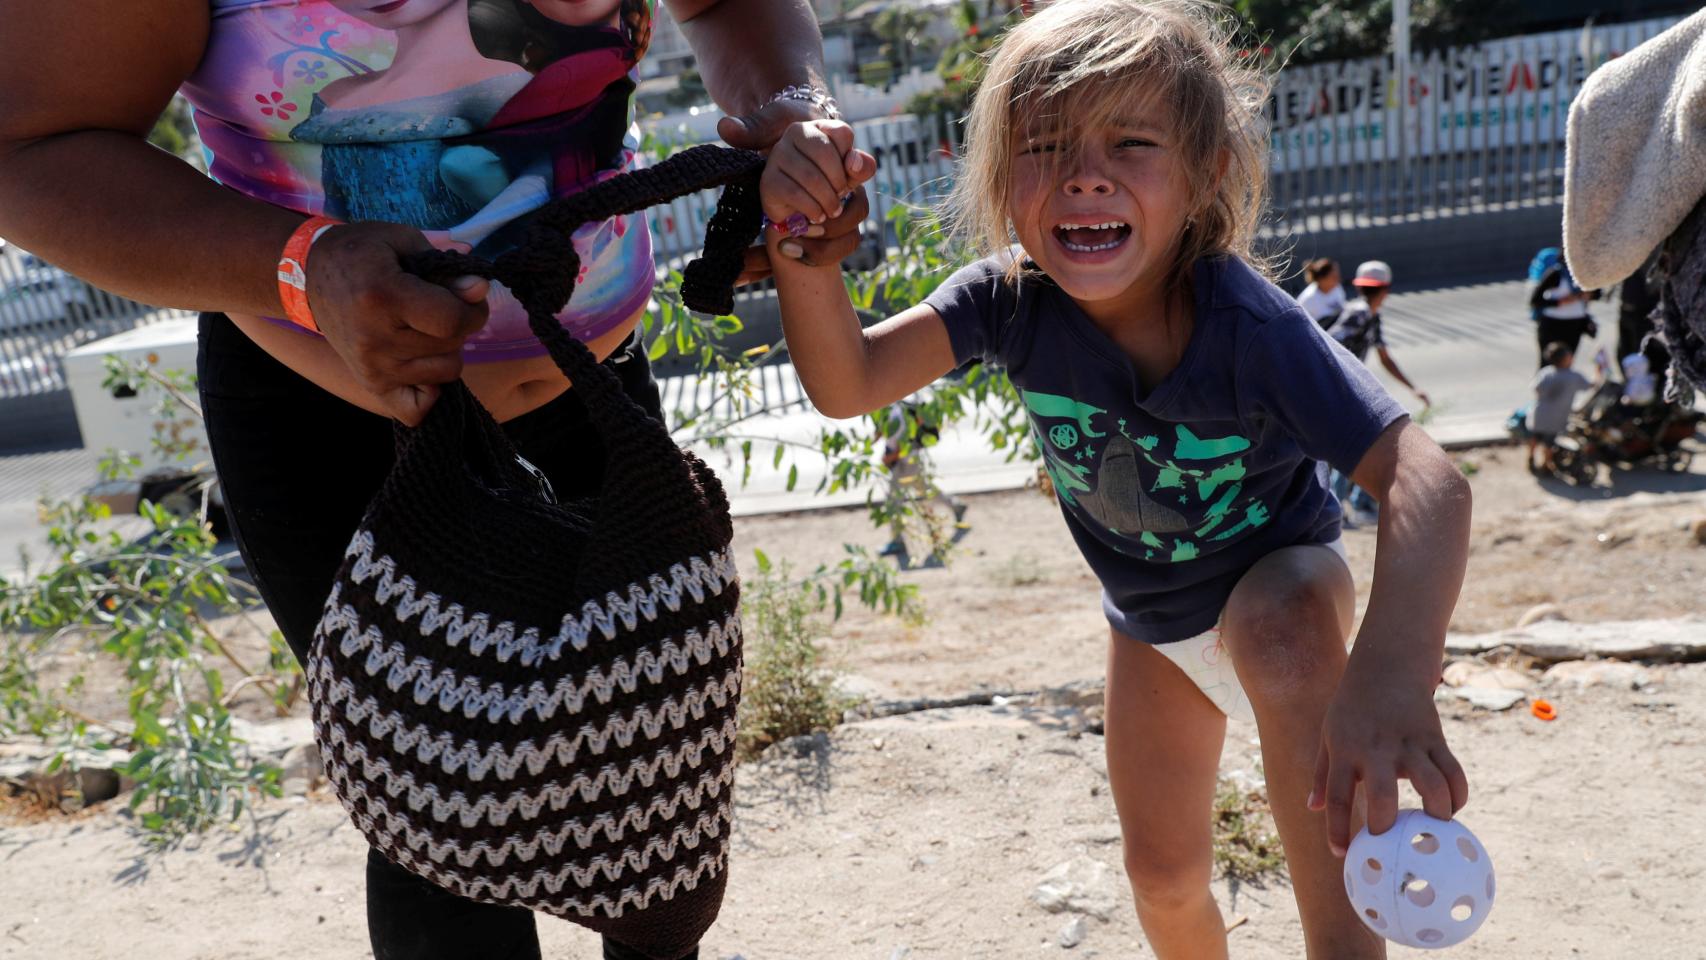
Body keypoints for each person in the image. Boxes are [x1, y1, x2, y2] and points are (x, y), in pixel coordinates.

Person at [0, 3, 873, 959]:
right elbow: (31, 149)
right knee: (442, 813)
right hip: (329, 414)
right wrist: (301, 266)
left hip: (591, 383)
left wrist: (792, 121)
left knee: (653, 787)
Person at [760, 1, 1472, 957]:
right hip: (1150, 625)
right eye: (1045, 145)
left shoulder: (1250, 330)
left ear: (1206, 171)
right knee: (1166, 883)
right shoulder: (1008, 303)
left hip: (1280, 587)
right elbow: (849, 383)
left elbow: (1426, 476)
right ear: (1000, 178)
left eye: (1131, 142)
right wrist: (805, 252)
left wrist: (1390, 673)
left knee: (1287, 637)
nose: (1085, 173)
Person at [1325, 260, 1429, 523]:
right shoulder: (1358, 313)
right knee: (1352, 450)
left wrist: (1413, 387)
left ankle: (1357, 504)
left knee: (1360, 447)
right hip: (1342, 390)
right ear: (1386, 290)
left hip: (1348, 390)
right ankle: (1341, 510)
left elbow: (1385, 358)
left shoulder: (1371, 316)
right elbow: (1330, 344)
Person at [875, 399, 968, 567]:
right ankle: (955, 506)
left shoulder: (900, 412)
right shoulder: (893, 409)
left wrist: (890, 457)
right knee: (924, 490)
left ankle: (898, 541)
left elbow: (903, 441)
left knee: (894, 501)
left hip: (906, 462)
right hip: (906, 461)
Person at [1526, 342, 1602, 474]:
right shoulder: (1573, 376)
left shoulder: (1546, 372)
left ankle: (1531, 458)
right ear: (1566, 359)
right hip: (1556, 418)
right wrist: (1599, 370)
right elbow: (1592, 385)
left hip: (1539, 414)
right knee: (1549, 443)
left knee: (1535, 438)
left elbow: (1536, 388)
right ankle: (1546, 464)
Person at [1530, 255, 1599, 369]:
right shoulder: (1556, 273)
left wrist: (1586, 295)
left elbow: (1597, 294)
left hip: (1574, 326)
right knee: (1547, 366)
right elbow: (1535, 300)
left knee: (1567, 364)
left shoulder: (1584, 276)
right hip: (1552, 325)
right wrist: (1561, 301)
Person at [1294, 257, 1344, 328]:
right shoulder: (1308, 299)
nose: (1338, 279)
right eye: (1334, 277)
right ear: (1322, 279)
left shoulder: (1337, 288)